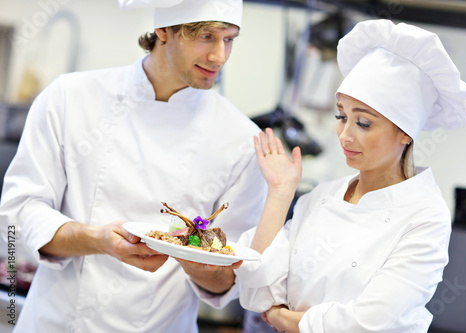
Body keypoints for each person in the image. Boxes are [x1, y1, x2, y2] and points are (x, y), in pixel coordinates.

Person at [0, 0, 267, 331]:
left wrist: (201, 262)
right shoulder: (70, 97)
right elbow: (18, 215)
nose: (220, 56)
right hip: (57, 321)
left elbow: (229, 281)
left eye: (229, 39)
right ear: (163, 31)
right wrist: (96, 238)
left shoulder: (242, 141)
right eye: (206, 37)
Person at [235, 19, 466, 333]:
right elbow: (256, 290)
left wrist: (283, 318)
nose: (344, 135)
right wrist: (280, 192)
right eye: (341, 116)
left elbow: (366, 324)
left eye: (363, 123)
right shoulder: (322, 197)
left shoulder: (425, 218)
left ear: (404, 133)